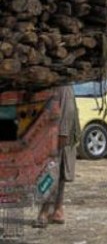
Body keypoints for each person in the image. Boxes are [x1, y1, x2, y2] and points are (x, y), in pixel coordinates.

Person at [35, 85, 80, 228]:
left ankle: (45, 211)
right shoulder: (57, 86)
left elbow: (69, 111)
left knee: (51, 174)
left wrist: (62, 135)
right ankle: (57, 210)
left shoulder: (64, 87)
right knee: (58, 175)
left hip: (60, 137)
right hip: (55, 136)